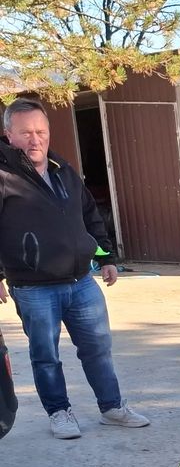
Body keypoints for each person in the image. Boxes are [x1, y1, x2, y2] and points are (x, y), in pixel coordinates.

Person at [0, 97, 149, 439]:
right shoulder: (4, 176)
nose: (35, 139)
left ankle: (111, 407)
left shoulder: (62, 169)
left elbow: (89, 216)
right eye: (26, 133)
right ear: (9, 135)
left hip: (81, 281)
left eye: (40, 131)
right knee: (45, 355)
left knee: (97, 347)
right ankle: (59, 412)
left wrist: (106, 257)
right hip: (33, 286)